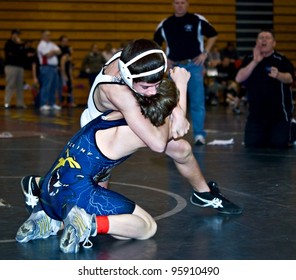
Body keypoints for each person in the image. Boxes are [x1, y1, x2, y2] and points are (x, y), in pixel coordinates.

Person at [22, 39, 242, 221]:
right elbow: (158, 142)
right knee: (92, 204)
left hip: (129, 117)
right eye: (146, 87)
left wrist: (173, 107)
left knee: (181, 149)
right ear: (128, 78)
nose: (152, 90)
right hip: (99, 135)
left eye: (155, 84)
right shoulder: (117, 92)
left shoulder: (139, 59)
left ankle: (203, 194)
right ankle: (40, 184)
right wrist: (180, 93)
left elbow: (157, 87)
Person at [16, 77, 181, 254]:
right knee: (147, 227)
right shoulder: (138, 133)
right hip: (76, 194)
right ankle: (88, 223)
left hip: (51, 189)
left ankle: (49, 220)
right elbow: (177, 130)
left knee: (122, 232)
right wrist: (181, 89)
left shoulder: (117, 111)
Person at [153, 0, 218, 145]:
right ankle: (171, 133)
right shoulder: (165, 23)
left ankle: (199, 135)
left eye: (183, 2)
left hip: (194, 66)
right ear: (172, 4)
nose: (180, 5)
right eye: (177, 2)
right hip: (174, 67)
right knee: (172, 102)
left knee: (197, 102)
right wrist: (164, 58)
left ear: (188, 4)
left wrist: (205, 53)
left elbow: (213, 35)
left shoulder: (197, 20)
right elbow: (155, 43)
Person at [235, 29, 295, 148]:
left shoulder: (281, 59)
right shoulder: (249, 59)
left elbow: (289, 78)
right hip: (256, 114)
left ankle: (292, 128)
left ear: (274, 43)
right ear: (257, 42)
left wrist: (278, 75)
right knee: (252, 144)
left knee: (278, 144)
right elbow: (239, 78)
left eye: (267, 38)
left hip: (279, 114)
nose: (264, 40)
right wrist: (255, 62)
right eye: (261, 38)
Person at [37, 30, 62, 111]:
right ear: (42, 36)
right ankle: (43, 103)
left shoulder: (51, 44)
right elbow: (47, 55)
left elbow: (59, 51)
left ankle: (52, 103)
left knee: (53, 86)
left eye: (49, 35)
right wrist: (54, 51)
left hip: (54, 68)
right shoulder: (41, 45)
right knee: (46, 86)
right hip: (46, 67)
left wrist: (52, 52)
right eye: (46, 35)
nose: (48, 37)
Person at [3, 29, 26, 109]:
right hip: (11, 66)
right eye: (16, 34)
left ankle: (20, 103)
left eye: (19, 35)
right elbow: (13, 53)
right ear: (12, 34)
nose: (18, 36)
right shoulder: (8, 44)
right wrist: (18, 45)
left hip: (20, 67)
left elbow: (23, 54)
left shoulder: (20, 45)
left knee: (20, 85)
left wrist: (20, 45)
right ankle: (7, 102)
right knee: (11, 84)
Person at [58, 35, 75, 107]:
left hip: (67, 70)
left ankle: (69, 101)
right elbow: (62, 63)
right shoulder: (59, 49)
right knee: (63, 86)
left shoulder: (68, 52)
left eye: (67, 41)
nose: (66, 42)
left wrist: (70, 76)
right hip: (62, 70)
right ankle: (61, 101)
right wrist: (64, 74)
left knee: (69, 86)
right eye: (64, 41)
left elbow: (69, 66)